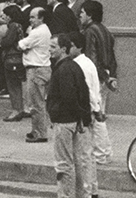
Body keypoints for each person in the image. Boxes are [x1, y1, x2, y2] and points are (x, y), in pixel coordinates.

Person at [46, 34, 93, 198]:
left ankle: (66, 195)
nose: (50, 50)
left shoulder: (63, 69)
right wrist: (82, 118)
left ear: (63, 49)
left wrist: (55, 113)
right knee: (76, 162)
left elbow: (69, 96)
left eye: (53, 47)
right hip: (73, 121)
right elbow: (83, 94)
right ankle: (81, 195)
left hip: (64, 121)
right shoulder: (73, 66)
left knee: (63, 164)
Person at [79, 0, 117, 166]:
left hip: (95, 77)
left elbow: (91, 59)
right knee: (100, 114)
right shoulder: (105, 30)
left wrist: (102, 77)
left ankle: (101, 154)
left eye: (81, 13)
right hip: (105, 76)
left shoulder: (89, 32)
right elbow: (112, 58)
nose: (79, 15)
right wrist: (111, 77)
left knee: (96, 116)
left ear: (89, 15)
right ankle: (106, 152)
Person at [68, 31, 104, 198]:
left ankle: (87, 191)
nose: (68, 49)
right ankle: (92, 188)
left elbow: (87, 91)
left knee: (83, 155)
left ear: (79, 47)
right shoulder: (87, 62)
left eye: (71, 46)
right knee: (88, 155)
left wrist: (91, 110)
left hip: (84, 113)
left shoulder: (79, 65)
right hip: (90, 110)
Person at [19, 7, 53, 143]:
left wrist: (25, 44)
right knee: (38, 102)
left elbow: (21, 45)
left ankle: (40, 133)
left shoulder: (37, 33)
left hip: (36, 69)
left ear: (41, 18)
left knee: (36, 103)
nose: (30, 20)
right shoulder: (44, 30)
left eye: (33, 17)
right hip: (43, 67)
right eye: (30, 17)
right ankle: (37, 130)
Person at [0, 0, 21, 96]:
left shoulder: (18, 6)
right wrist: (6, 20)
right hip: (0, 39)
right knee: (1, 63)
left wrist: (4, 18)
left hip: (11, 40)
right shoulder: (2, 5)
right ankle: (3, 86)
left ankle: (11, 87)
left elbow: (16, 17)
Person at [0, 6, 28, 122]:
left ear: (10, 16)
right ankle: (20, 109)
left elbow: (7, 42)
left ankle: (16, 110)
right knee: (17, 85)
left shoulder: (12, 26)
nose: (4, 17)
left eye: (6, 15)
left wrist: (2, 39)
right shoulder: (19, 26)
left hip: (11, 59)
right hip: (19, 59)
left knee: (12, 86)